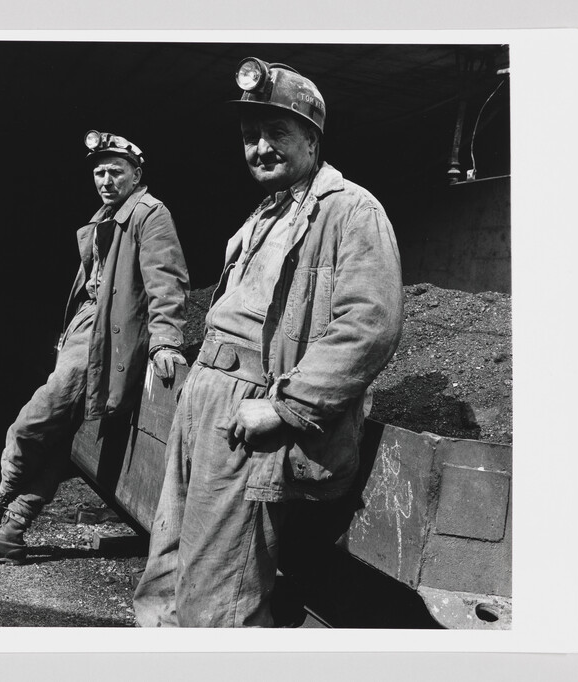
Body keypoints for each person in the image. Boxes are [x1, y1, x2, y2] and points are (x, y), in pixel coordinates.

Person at [133, 58, 404, 627]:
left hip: (248, 413)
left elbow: (368, 325)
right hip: (203, 398)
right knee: (165, 569)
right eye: (249, 136)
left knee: (218, 594)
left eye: (275, 132)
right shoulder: (265, 214)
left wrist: (286, 407)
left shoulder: (351, 210)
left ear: (311, 137)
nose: (259, 148)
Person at [0, 131, 189, 566]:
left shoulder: (150, 215)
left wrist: (166, 341)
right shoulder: (106, 217)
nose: (106, 179)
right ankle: (11, 531)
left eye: (116, 171)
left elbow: (166, 282)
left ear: (137, 174)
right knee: (62, 439)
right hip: (83, 335)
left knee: (29, 426)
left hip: (105, 343)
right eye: (99, 172)